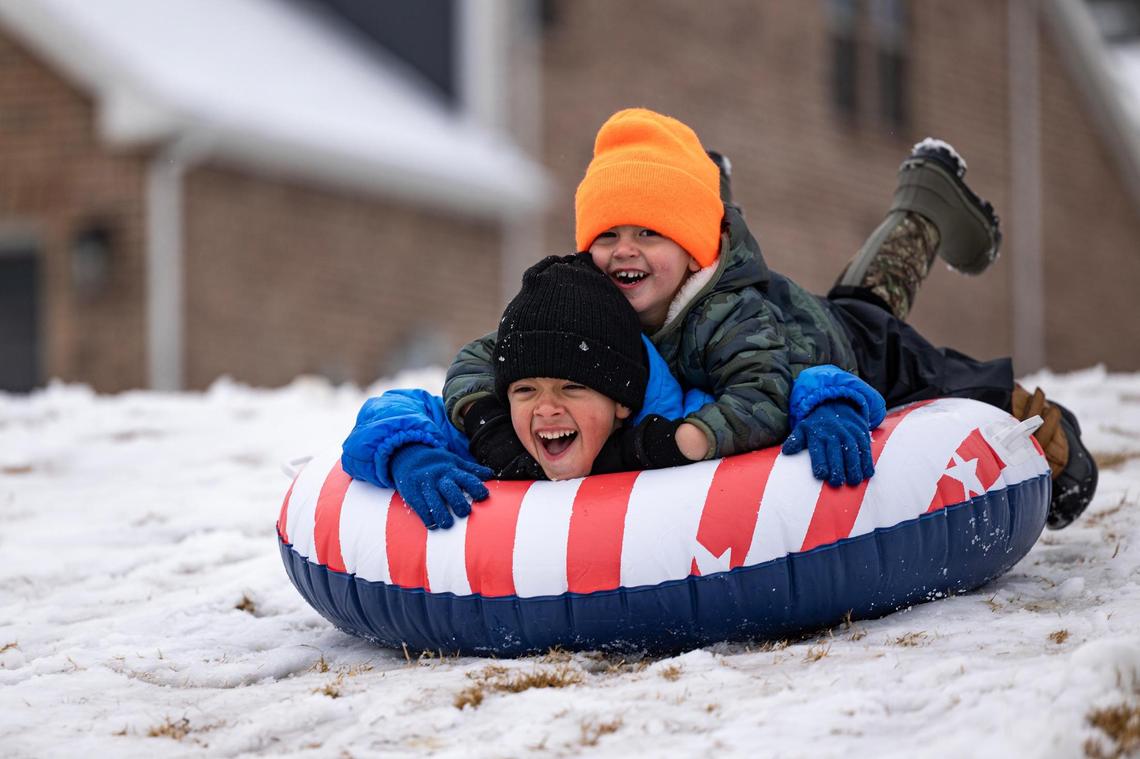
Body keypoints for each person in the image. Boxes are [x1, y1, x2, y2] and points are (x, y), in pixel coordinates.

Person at [444, 107, 1097, 530]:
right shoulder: (591, 292)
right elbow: (493, 354)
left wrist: (674, 444)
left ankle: (931, 203)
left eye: (650, 232)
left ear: (693, 245)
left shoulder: (727, 315)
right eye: (607, 234)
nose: (622, 251)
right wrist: (487, 418)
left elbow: (763, 397)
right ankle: (723, 183)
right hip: (790, 308)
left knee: (904, 337)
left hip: (847, 351)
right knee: (863, 290)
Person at [341, 253, 883, 529]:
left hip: (848, 330)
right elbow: (393, 410)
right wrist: (409, 454)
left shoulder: (679, 422)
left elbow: (779, 395)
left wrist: (829, 405)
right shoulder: (497, 429)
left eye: (573, 387)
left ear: (622, 401)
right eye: (525, 388)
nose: (545, 408)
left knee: (873, 301)